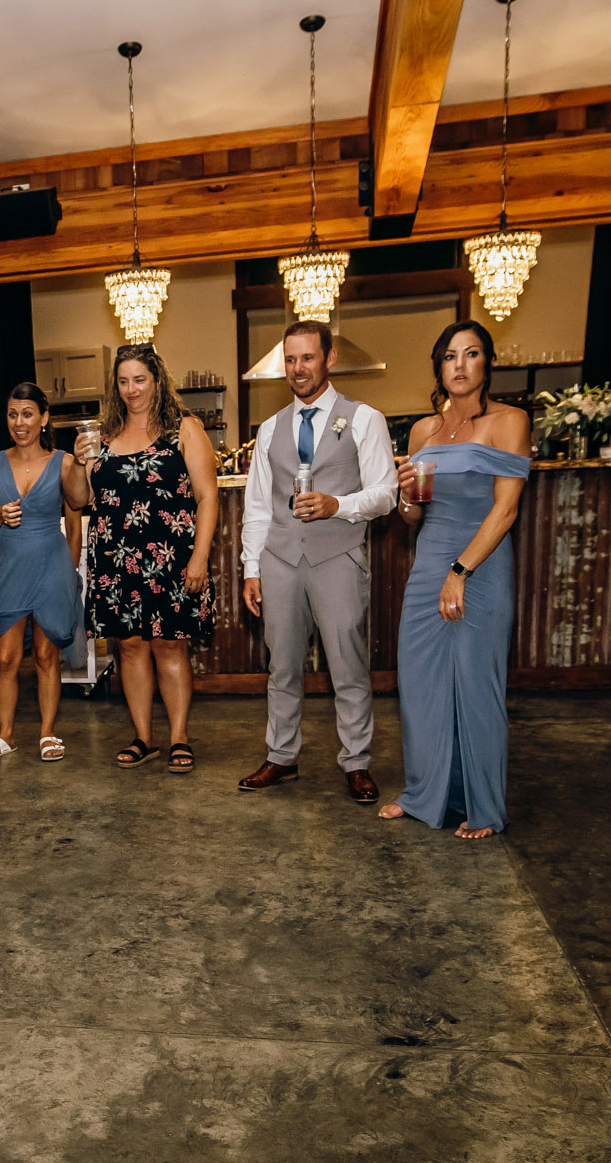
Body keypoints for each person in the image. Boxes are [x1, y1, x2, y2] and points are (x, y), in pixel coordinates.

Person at [377, 320, 529, 840]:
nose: (459, 365)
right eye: (449, 356)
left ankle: (482, 807)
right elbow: (414, 517)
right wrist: (404, 494)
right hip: (427, 566)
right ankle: (424, 794)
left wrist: (460, 571)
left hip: (479, 566)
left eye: (471, 354)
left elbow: (506, 510)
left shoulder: (510, 421)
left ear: (487, 363)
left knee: (475, 686)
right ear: (439, 367)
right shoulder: (424, 431)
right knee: (420, 686)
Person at [237, 322, 397, 799]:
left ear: (328, 358)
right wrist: (251, 568)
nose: (298, 369)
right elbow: (258, 507)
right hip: (280, 559)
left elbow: (386, 494)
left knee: (347, 666)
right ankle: (281, 757)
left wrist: (338, 505)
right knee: (281, 666)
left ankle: (356, 762)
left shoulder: (365, 418)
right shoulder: (269, 430)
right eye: (290, 360)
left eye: (307, 358)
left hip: (338, 556)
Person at [79, 343, 219, 772]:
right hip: (115, 559)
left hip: (171, 557)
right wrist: (77, 462)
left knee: (169, 645)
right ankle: (143, 736)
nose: (131, 389)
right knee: (130, 646)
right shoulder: (101, 437)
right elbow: (82, 499)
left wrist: (199, 558)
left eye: (139, 379)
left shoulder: (184, 429)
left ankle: (179, 736)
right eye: (123, 381)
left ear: (157, 380)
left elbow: (207, 496)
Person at [0, 382, 87, 762]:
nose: (19, 422)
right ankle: (5, 733)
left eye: (27, 414)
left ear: (44, 417)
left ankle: (47, 732)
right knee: (5, 657)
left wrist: (69, 573)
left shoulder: (65, 462)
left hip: (51, 563)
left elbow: (77, 512)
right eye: (12, 414)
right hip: (9, 565)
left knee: (45, 655)